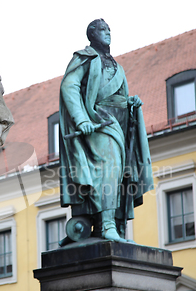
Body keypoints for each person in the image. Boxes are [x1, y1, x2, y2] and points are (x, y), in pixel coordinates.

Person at [59, 18, 153, 242]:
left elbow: (117, 96)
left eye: (109, 29)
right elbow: (69, 86)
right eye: (103, 30)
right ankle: (108, 225)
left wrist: (131, 102)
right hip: (97, 121)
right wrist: (82, 120)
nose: (108, 33)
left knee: (120, 174)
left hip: (119, 124)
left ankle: (106, 225)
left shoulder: (116, 66)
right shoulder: (83, 58)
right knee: (108, 169)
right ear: (92, 35)